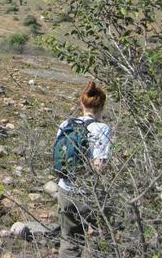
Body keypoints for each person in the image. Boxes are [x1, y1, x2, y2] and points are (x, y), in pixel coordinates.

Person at [55, 81, 113, 258]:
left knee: (69, 240)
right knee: (100, 239)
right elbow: (99, 166)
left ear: (81, 104)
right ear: (102, 106)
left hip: (64, 189)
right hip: (88, 194)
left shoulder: (66, 124)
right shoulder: (102, 129)